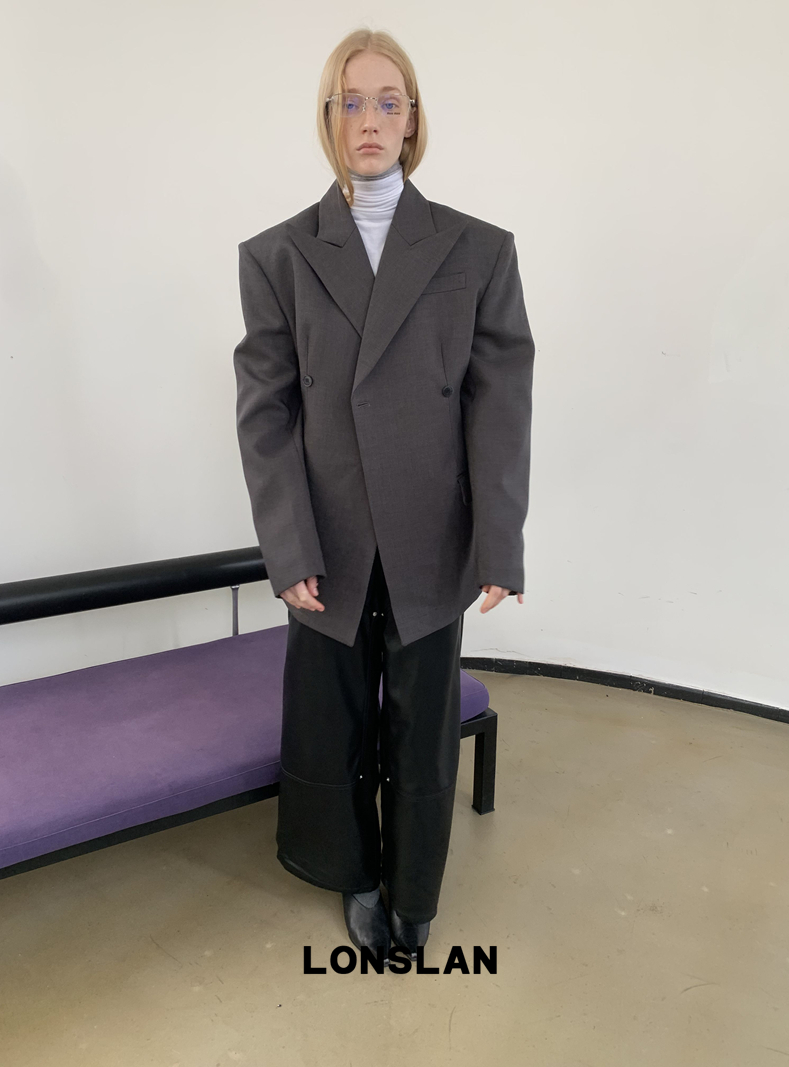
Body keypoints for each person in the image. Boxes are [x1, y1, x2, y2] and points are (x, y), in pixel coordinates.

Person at [233, 28, 535, 963]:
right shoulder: (277, 255)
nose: (369, 119)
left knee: (421, 719)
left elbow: (499, 406)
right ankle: (351, 870)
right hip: (325, 539)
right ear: (329, 119)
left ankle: (414, 886)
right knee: (330, 720)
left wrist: (499, 541)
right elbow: (266, 414)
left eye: (388, 100)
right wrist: (287, 545)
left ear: (412, 120)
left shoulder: (478, 251)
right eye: (351, 101)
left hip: (429, 534)